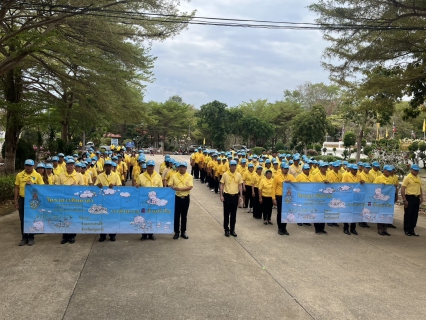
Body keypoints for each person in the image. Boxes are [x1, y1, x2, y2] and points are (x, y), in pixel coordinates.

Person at [14, 159, 44, 246]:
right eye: (27, 165)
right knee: (23, 219)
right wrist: (15, 200)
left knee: (32, 218)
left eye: (30, 166)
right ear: (24, 166)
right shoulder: (19, 175)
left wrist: (33, 185)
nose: (28, 167)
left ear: (33, 166)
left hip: (33, 200)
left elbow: (42, 188)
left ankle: (31, 237)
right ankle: (24, 237)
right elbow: (16, 187)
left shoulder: (37, 175)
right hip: (22, 199)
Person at [56, 158, 85, 244]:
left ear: (74, 166)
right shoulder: (61, 176)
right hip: (64, 200)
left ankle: (72, 236)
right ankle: (65, 236)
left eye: (72, 165)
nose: (70, 166)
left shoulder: (79, 176)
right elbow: (57, 188)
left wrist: (76, 187)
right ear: (66, 166)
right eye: (68, 165)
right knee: (64, 217)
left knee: (73, 218)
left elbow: (82, 189)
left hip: (74, 201)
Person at [95, 160, 121, 242]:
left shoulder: (116, 176)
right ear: (104, 167)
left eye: (109, 166)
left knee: (112, 218)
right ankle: (102, 235)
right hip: (102, 200)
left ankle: (112, 235)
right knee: (102, 218)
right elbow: (95, 186)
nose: (108, 167)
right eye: (106, 166)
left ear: (112, 167)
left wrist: (115, 186)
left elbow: (119, 187)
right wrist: (97, 185)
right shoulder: (100, 176)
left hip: (112, 200)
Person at [136, 159, 162, 241]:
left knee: (152, 217)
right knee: (143, 217)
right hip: (144, 201)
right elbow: (137, 187)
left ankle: (151, 234)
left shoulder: (158, 176)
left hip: (154, 202)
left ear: (154, 167)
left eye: (152, 166)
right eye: (149, 166)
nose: (150, 167)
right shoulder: (141, 176)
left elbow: (161, 189)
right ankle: (144, 234)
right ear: (146, 167)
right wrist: (136, 186)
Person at [169, 162, 193, 239]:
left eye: (183, 167)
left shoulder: (189, 176)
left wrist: (180, 189)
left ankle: (183, 232)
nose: (182, 168)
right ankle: (176, 232)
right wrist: (172, 186)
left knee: (184, 215)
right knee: (176, 216)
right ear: (178, 168)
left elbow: (190, 187)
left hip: (185, 198)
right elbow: (170, 184)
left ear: (186, 168)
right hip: (176, 198)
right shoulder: (174, 176)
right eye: (180, 167)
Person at [220, 160, 243, 237]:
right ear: (229, 166)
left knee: (233, 214)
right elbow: (222, 185)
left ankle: (232, 230)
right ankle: (226, 229)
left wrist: (241, 196)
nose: (233, 167)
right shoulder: (225, 174)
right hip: (227, 196)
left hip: (235, 196)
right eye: (232, 165)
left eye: (234, 165)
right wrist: (221, 195)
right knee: (226, 214)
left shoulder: (239, 175)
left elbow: (240, 185)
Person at [272, 163, 295, 235]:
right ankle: (280, 228)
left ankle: (284, 228)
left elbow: (296, 184)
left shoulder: (291, 176)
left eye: (287, 169)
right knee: (280, 212)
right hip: (279, 196)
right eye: (285, 169)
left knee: (287, 212)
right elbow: (273, 188)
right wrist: (273, 198)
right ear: (281, 169)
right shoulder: (277, 177)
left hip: (288, 197)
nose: (286, 170)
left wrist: (290, 182)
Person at [341, 164, 365, 235]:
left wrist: (362, 182)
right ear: (350, 169)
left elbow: (361, 185)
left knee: (355, 213)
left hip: (356, 197)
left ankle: (353, 228)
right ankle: (345, 228)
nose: (355, 171)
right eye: (354, 169)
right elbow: (343, 186)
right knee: (347, 212)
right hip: (348, 197)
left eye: (356, 169)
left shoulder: (359, 176)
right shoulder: (346, 175)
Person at [401, 164, 422, 236]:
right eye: (415, 170)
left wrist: (422, 197)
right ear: (411, 170)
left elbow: (420, 187)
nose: (416, 171)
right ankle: (407, 230)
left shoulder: (418, 177)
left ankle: (412, 229)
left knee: (415, 215)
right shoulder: (407, 178)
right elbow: (403, 188)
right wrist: (404, 199)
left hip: (416, 198)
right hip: (409, 197)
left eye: (417, 170)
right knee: (408, 214)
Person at [373, 165, 394, 236]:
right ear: (384, 171)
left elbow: (393, 188)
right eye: (388, 171)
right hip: (380, 199)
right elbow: (374, 188)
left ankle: (385, 229)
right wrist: (380, 186)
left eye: (390, 171)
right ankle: (380, 229)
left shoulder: (391, 179)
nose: (389, 172)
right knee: (380, 213)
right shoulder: (379, 178)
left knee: (387, 214)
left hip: (388, 200)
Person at [311, 162, 329, 234]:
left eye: (326, 167)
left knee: (323, 213)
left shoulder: (328, 175)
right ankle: (317, 229)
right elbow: (313, 186)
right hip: (318, 196)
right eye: (324, 167)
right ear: (320, 168)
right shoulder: (316, 175)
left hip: (326, 196)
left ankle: (322, 228)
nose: (325, 168)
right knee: (317, 212)